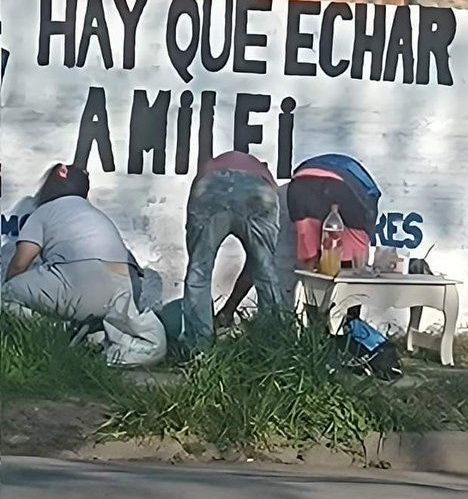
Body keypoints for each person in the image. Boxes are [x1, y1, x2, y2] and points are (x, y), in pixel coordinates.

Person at [2, 163, 167, 366]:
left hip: (81, 282)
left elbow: (20, 264)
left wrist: (9, 289)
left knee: (7, 294)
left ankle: (53, 336)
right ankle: (97, 346)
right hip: (125, 286)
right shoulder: (96, 214)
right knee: (98, 317)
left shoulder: (44, 212)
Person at [215, 153, 381, 325]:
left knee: (265, 257)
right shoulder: (356, 230)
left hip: (297, 187)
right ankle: (283, 326)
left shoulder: (356, 221)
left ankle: (230, 314)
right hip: (301, 195)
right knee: (297, 270)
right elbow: (347, 278)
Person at [183, 151, 284, 350]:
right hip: (258, 191)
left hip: (209, 187)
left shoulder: (209, 168)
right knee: (266, 270)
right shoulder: (264, 175)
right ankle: (274, 344)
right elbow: (257, 266)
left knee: (199, 271)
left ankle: (199, 348)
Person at [287, 154, 381, 271]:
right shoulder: (369, 196)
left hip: (301, 180)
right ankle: (350, 274)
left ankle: (310, 273)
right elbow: (366, 219)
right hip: (344, 183)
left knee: (308, 238)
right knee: (355, 249)